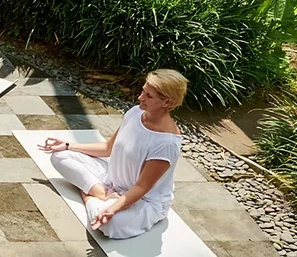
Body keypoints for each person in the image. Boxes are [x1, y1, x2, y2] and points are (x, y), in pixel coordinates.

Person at [38, 69, 188, 239]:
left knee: (110, 225)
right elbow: (108, 148)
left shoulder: (166, 144)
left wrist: (112, 208)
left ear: (167, 102)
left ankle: (89, 195)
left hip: (144, 200)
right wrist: (68, 145)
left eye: (149, 96)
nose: (140, 97)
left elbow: (141, 187)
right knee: (60, 156)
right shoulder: (135, 112)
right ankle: (101, 194)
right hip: (111, 178)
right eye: (143, 91)